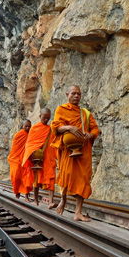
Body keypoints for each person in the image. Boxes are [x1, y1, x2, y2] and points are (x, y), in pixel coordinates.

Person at [51, 85, 100, 221]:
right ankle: (63, 199)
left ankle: (78, 212)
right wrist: (70, 128)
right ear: (67, 95)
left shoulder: (85, 113)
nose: (76, 96)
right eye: (73, 93)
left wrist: (90, 135)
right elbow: (55, 127)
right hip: (68, 150)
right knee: (67, 175)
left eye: (78, 94)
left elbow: (95, 128)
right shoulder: (61, 109)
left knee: (83, 179)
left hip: (83, 150)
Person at [22, 108, 57, 207]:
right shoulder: (34, 129)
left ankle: (51, 201)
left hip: (49, 158)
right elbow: (29, 144)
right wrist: (33, 153)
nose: (46, 120)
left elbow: (53, 144)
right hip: (38, 159)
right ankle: (36, 200)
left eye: (48, 118)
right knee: (36, 180)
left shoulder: (50, 129)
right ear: (39, 116)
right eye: (44, 118)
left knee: (51, 178)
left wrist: (57, 157)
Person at [7, 119, 32, 200]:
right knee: (16, 177)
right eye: (26, 126)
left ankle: (26, 196)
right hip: (15, 159)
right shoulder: (18, 135)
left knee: (26, 177)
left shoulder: (31, 135)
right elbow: (14, 148)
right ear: (22, 126)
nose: (28, 128)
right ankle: (17, 191)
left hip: (26, 159)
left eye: (29, 126)